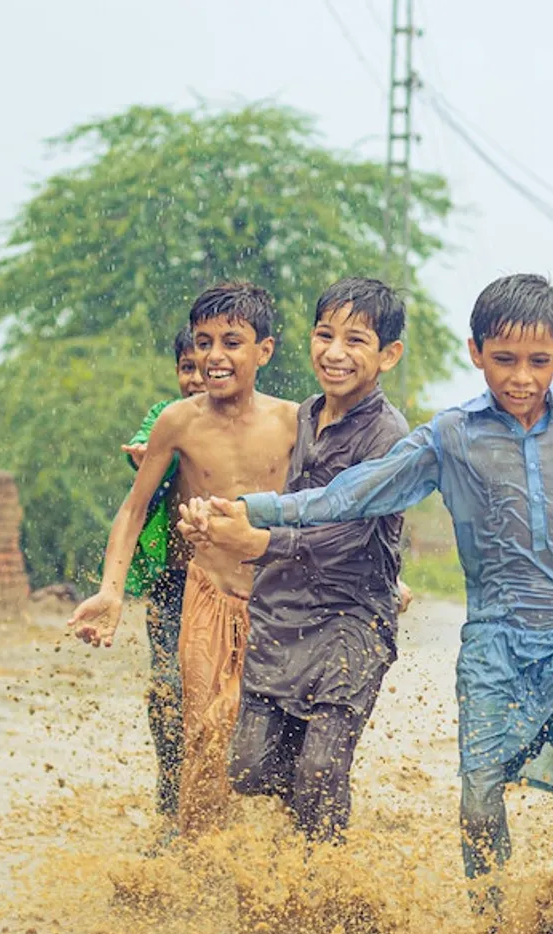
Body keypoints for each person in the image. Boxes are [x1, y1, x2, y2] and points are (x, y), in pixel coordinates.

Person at [184, 273, 553, 934]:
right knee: (477, 796)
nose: (521, 377)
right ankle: (493, 920)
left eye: (538, 360)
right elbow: (355, 493)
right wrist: (257, 509)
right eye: (505, 359)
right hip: (494, 637)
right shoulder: (451, 435)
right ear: (476, 352)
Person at [181, 277, 410, 844]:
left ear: (388, 355)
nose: (335, 353)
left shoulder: (389, 437)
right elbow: (256, 482)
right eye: (324, 335)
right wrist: (212, 518)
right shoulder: (301, 417)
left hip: (352, 620)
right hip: (281, 617)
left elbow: (350, 536)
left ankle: (327, 891)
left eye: (355, 341)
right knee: (249, 769)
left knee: (320, 769)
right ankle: (300, 849)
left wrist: (256, 545)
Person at [69, 281, 299, 838]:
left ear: (263, 351)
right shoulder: (178, 421)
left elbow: (336, 508)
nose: (214, 357)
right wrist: (112, 590)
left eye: (231, 342)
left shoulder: (294, 421)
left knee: (278, 737)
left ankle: (278, 858)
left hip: (280, 602)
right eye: (203, 343)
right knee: (205, 729)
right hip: (205, 596)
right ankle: (194, 858)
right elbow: (132, 510)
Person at [120, 324, 203, 823]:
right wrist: (143, 456)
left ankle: (214, 804)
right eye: (186, 367)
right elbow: (144, 446)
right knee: (168, 690)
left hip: (236, 588)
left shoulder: (258, 422)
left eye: (205, 366)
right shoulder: (166, 418)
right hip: (172, 582)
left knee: (223, 698)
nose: (196, 378)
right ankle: (171, 801)